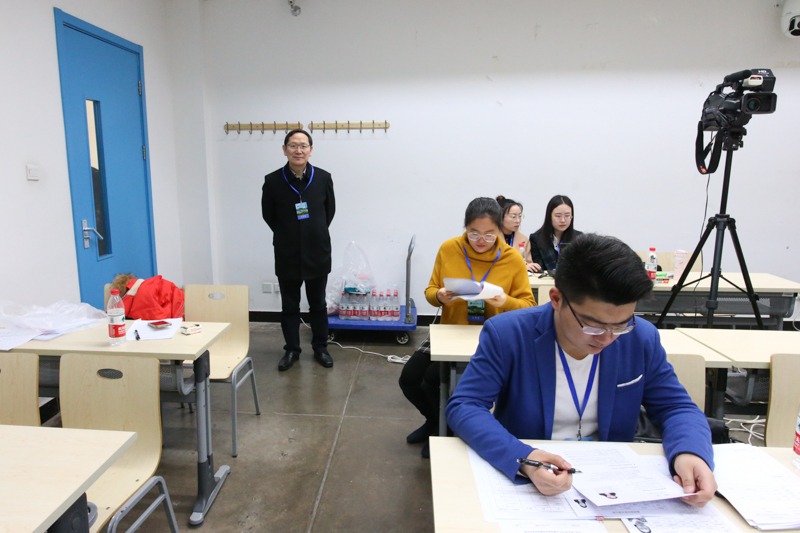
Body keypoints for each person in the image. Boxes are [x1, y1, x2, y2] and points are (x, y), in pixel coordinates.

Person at [446, 233, 716, 508]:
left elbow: (676, 407)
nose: (607, 338)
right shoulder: (508, 334)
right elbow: (465, 405)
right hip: (533, 480)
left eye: (621, 325)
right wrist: (524, 458)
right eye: (593, 325)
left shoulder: (640, 338)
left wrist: (690, 453)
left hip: (612, 481)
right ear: (556, 299)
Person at [399, 197, 536, 458]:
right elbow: (430, 291)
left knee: (433, 380)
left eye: (489, 234)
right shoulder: (449, 248)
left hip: (492, 336)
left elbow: (528, 306)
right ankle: (433, 421)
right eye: (474, 233)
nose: (481, 240)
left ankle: (444, 431)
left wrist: (505, 301)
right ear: (465, 227)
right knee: (409, 379)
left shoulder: (512, 259)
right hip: (451, 329)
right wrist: (440, 296)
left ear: (500, 230)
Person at [262, 129, 336, 371]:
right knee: (289, 307)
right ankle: (292, 349)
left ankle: (321, 348)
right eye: (293, 145)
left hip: (317, 252)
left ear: (311, 150)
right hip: (287, 254)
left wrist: (313, 233)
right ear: (284, 150)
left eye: (303, 146)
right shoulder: (272, 181)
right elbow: (268, 215)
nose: (298, 150)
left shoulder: (323, 178)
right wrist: (289, 235)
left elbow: (329, 212)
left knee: (318, 305)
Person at [528, 195, 581, 273]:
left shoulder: (579, 238)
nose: (563, 220)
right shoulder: (536, 239)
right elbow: (538, 268)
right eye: (558, 216)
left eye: (567, 216)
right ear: (549, 216)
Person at [495, 195, 530, 264]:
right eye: (513, 217)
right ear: (500, 217)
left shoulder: (524, 240)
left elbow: (528, 263)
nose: (518, 220)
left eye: (520, 216)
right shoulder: (491, 238)